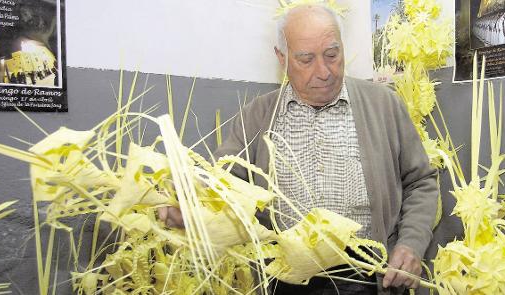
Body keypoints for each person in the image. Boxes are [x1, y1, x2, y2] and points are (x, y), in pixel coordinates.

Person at [160, 4, 438, 294]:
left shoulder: (383, 105)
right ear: (282, 58)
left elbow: (420, 182)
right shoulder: (258, 115)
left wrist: (410, 243)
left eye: (332, 55)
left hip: (367, 275)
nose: (324, 71)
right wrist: (190, 203)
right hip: (285, 278)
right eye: (306, 59)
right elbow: (220, 182)